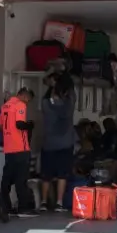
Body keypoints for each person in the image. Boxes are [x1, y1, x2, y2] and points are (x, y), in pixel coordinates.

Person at [38, 75, 76, 212]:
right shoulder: (68, 106)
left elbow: (45, 97)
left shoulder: (46, 104)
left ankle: (43, 202)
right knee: (62, 174)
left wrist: (51, 86)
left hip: (48, 145)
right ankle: (59, 203)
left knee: (46, 175)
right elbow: (72, 92)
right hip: (65, 144)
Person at [0, 87, 36, 217]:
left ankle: (6, 207)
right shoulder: (20, 105)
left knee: (7, 179)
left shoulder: (5, 106)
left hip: (9, 148)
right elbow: (19, 124)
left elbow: (0, 127)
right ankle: (23, 208)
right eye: (28, 100)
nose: (27, 103)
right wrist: (30, 125)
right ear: (25, 96)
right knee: (21, 179)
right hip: (21, 148)